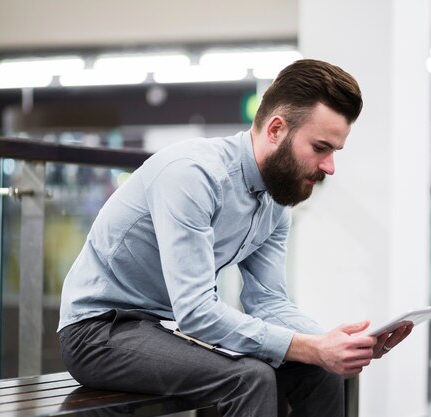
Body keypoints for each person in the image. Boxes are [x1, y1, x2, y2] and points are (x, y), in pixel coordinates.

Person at [58, 59, 412, 417]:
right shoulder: (193, 176)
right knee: (250, 379)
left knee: (321, 370)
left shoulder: (275, 199)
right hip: (98, 332)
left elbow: (269, 302)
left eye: (334, 151)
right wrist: (311, 346)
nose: (329, 166)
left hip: (165, 329)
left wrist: (333, 345)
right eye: (321, 148)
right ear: (276, 130)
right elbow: (196, 312)